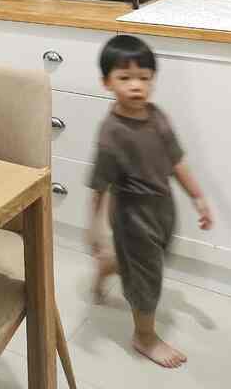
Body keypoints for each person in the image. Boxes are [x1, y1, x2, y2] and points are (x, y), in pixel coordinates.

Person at [87, 34, 213, 369]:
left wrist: (198, 198)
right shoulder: (111, 134)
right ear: (106, 82)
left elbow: (177, 161)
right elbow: (99, 187)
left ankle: (107, 269)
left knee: (148, 263)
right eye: (124, 78)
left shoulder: (157, 117)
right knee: (147, 276)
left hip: (162, 207)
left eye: (144, 78)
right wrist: (95, 228)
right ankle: (144, 337)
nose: (136, 86)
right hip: (131, 216)